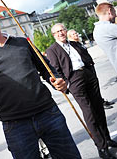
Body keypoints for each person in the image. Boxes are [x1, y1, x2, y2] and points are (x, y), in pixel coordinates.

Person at [0, 5, 81, 159]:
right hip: (16, 126)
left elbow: (46, 68)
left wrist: (57, 80)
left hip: (48, 113)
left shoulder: (23, 43)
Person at [46, 23, 117, 159]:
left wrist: (92, 72)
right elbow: (56, 70)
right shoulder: (52, 50)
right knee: (89, 113)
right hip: (74, 80)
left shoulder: (74, 44)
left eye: (62, 30)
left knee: (99, 109)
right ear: (54, 35)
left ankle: (107, 139)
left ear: (66, 31)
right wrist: (67, 84)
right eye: (57, 32)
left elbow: (87, 58)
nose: (61, 33)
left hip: (88, 75)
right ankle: (101, 147)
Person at [67, 29, 114, 110]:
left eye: (76, 33)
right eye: (74, 34)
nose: (76, 35)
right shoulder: (72, 46)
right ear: (70, 37)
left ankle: (101, 101)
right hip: (86, 68)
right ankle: (100, 104)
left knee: (96, 85)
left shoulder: (79, 43)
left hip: (90, 66)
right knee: (93, 88)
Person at [93, 2, 117, 73]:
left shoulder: (96, 30)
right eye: (114, 12)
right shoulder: (108, 27)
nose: (116, 15)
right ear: (109, 11)